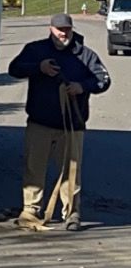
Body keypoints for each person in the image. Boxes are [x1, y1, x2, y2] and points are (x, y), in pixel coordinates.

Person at [8, 14, 110, 231]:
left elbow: (103, 80)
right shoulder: (36, 50)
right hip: (40, 122)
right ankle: (31, 209)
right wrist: (39, 67)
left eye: (67, 30)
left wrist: (82, 86)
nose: (63, 34)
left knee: (71, 172)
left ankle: (71, 213)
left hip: (72, 124)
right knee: (34, 168)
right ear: (51, 29)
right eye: (59, 29)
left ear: (72, 30)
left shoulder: (86, 55)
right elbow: (14, 69)